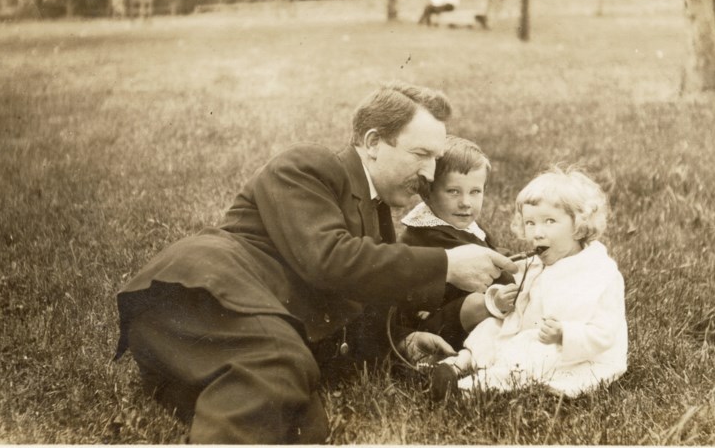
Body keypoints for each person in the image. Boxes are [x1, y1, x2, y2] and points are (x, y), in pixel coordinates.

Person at [114, 82, 516, 443]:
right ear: (374, 141)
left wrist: (404, 340)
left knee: (302, 415)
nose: (430, 173)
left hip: (225, 328)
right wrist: (445, 264)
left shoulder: (375, 216)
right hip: (196, 297)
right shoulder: (310, 166)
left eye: (436, 159)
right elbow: (329, 260)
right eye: (421, 155)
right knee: (281, 366)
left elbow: (348, 306)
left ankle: (187, 385)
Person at [430, 167, 627, 400]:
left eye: (550, 221)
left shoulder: (599, 273)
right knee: (490, 327)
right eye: (530, 223)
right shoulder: (535, 263)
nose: (537, 233)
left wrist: (565, 333)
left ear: (579, 226)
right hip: (525, 333)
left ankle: (468, 391)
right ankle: (457, 364)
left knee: (528, 357)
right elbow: (516, 296)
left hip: (570, 351)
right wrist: (499, 300)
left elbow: (606, 334)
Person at [398, 136, 514, 351]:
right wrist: (513, 277)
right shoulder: (430, 234)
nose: (465, 202)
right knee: (477, 303)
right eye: (453, 191)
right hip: (433, 324)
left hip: (452, 312)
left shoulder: (458, 224)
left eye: (475, 191)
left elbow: (489, 254)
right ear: (427, 193)